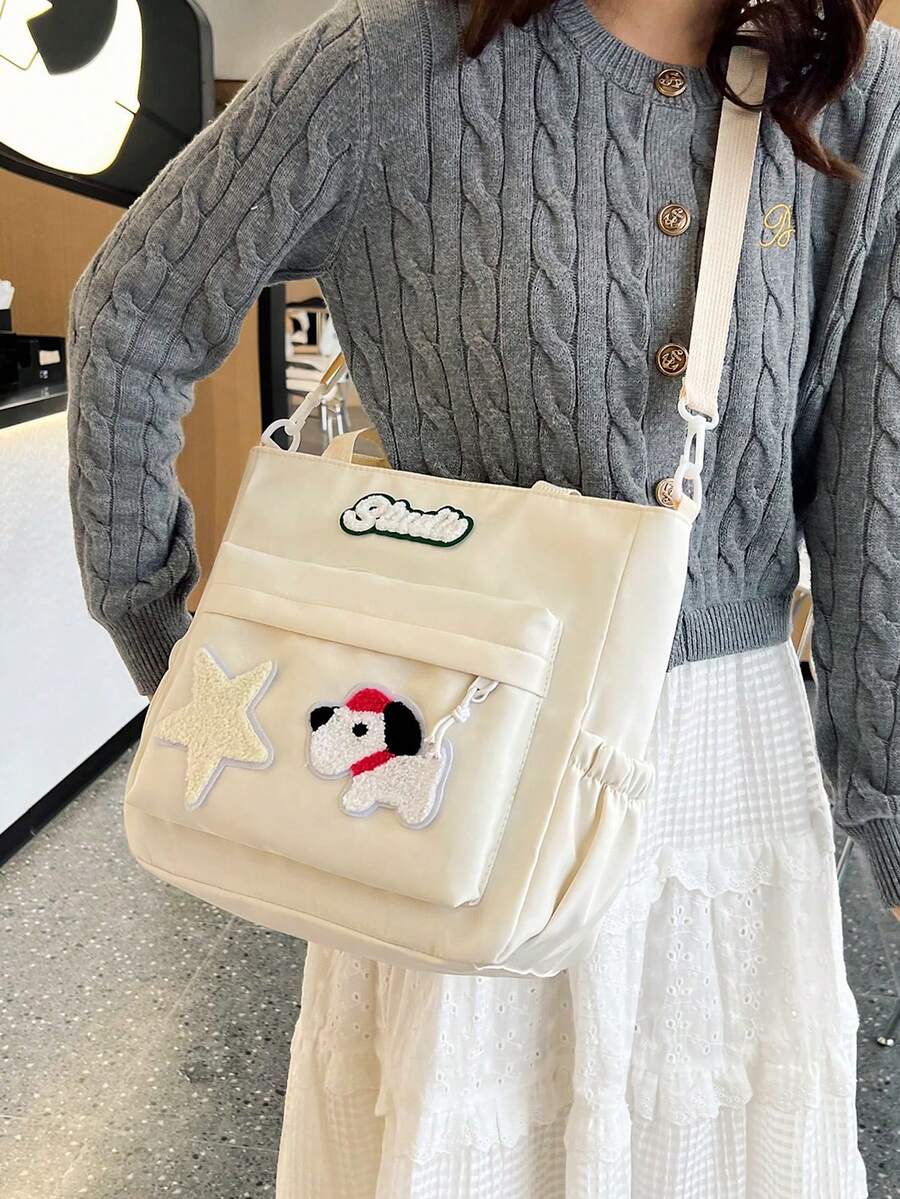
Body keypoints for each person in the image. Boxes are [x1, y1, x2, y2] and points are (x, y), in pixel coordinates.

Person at [66, 0, 900, 1194]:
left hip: (725, 770)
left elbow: (876, 496)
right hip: (449, 776)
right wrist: (169, 640)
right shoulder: (385, 61)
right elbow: (132, 312)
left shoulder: (851, 95)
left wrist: (889, 800)